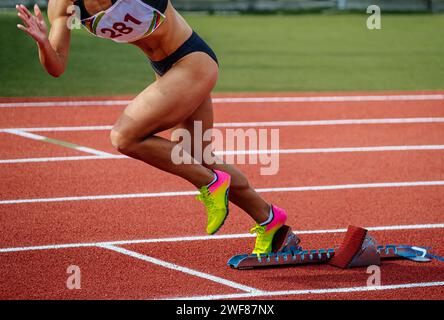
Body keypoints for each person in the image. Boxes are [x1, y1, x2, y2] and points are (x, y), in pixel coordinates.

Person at [16, 0, 297, 254]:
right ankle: (270, 220)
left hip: (192, 62)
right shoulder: (64, 5)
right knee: (198, 157)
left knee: (124, 137)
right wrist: (43, 43)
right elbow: (57, 65)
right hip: (167, 69)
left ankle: (210, 184)